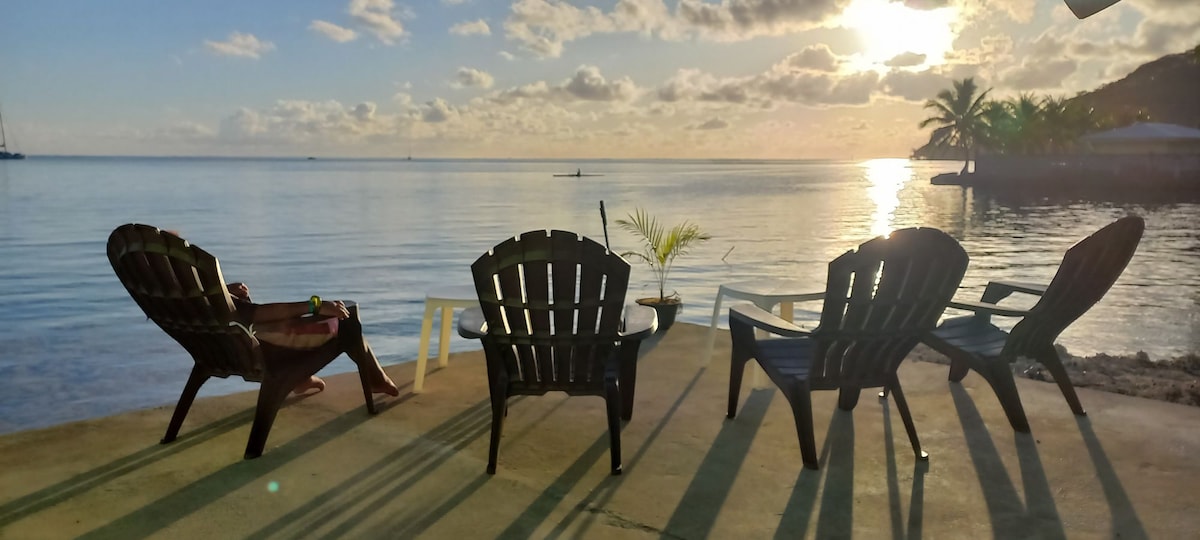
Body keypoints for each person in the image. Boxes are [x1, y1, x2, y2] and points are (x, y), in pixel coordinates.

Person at [225, 281, 400, 397]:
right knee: (345, 321)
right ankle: (376, 380)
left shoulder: (198, 292)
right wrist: (314, 305)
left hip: (226, 349)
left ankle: (301, 379)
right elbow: (257, 313)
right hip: (260, 350)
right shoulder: (204, 278)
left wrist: (225, 291)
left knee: (292, 321)